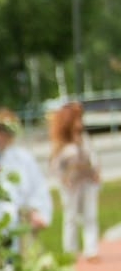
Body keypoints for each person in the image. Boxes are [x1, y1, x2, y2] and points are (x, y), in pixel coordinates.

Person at [0, 108, 53, 230]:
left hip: (17, 226)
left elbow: (37, 188)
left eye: (1, 132)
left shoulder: (23, 159)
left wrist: (36, 212)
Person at [48, 101, 102, 261]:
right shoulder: (61, 142)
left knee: (90, 215)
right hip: (70, 184)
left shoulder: (84, 138)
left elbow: (93, 156)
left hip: (88, 180)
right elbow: (55, 165)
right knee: (70, 216)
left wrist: (97, 171)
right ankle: (70, 251)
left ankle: (91, 250)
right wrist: (64, 178)